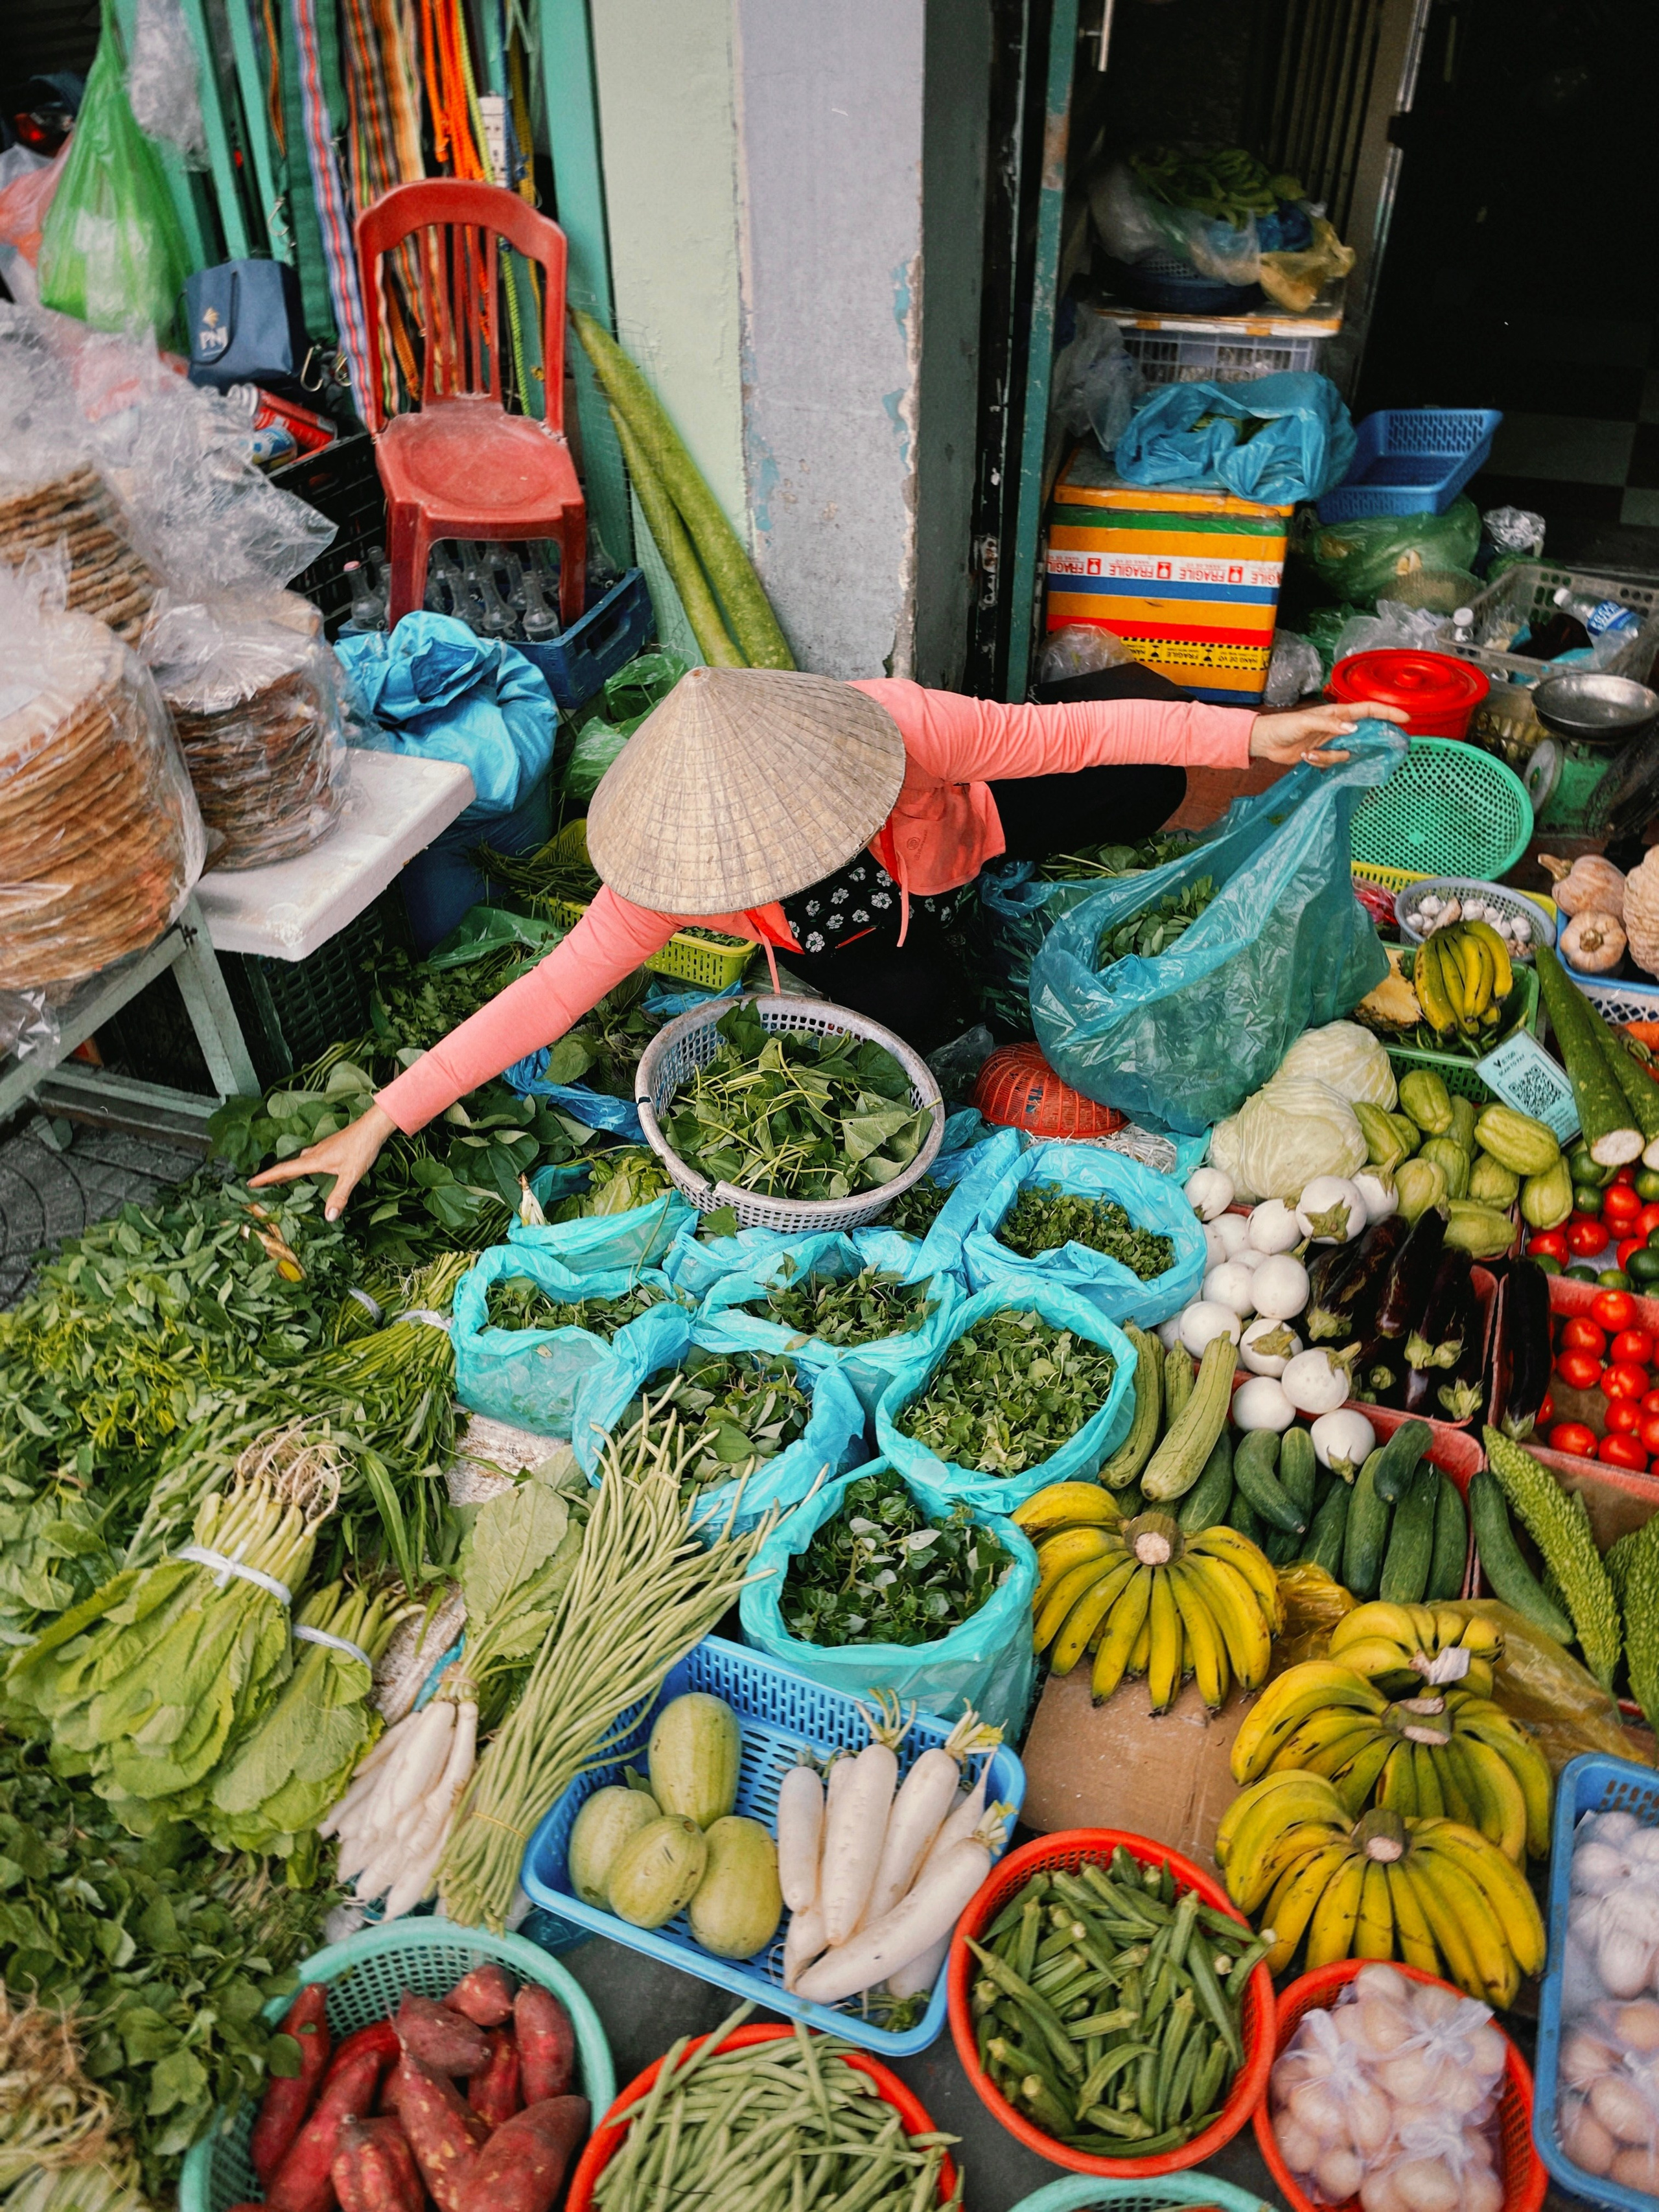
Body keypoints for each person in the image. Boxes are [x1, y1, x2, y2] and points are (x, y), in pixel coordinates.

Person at [251, 660, 1408, 1218]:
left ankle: (1186, 805)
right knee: (913, 1024)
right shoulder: (673, 876)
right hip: (866, 947)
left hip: (968, 829)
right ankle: (936, 982)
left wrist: (1256, 733)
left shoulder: (900, 729)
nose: (786, 864)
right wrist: (380, 1118)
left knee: (1144, 765)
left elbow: (1074, 729)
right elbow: (545, 997)